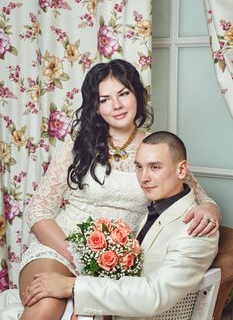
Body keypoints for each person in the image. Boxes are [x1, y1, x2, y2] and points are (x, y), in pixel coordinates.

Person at [0, 60, 220, 320]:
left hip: (114, 266)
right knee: (47, 302)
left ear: (137, 93)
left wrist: (210, 207)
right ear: (96, 106)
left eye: (124, 94)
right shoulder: (78, 145)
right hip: (58, 250)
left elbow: (194, 192)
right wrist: (78, 256)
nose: (116, 105)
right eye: (105, 99)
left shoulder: (153, 148)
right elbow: (38, 209)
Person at [19, 131, 219, 319]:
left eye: (155, 167)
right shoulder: (150, 211)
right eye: (139, 167)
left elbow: (153, 295)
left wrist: (72, 287)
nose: (144, 178)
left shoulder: (196, 229)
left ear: (182, 169)